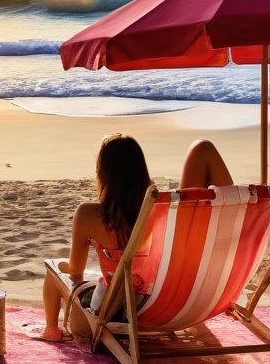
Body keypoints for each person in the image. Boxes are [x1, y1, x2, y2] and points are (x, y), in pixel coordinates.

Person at [40, 134, 233, 341]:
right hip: (161, 307)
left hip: (111, 314)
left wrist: (69, 267)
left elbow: (76, 272)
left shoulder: (88, 214)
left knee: (53, 271)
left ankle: (51, 331)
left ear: (103, 173)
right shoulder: (163, 212)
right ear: (142, 171)